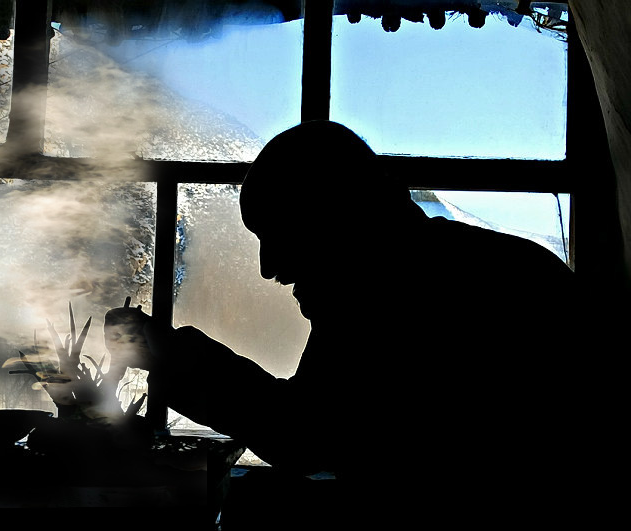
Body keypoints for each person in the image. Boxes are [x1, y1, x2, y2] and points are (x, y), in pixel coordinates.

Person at [126, 120, 583, 523]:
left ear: (333, 215)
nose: (268, 268)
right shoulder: (482, 267)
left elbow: (306, 434)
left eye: (278, 234)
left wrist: (179, 358)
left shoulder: (382, 301)